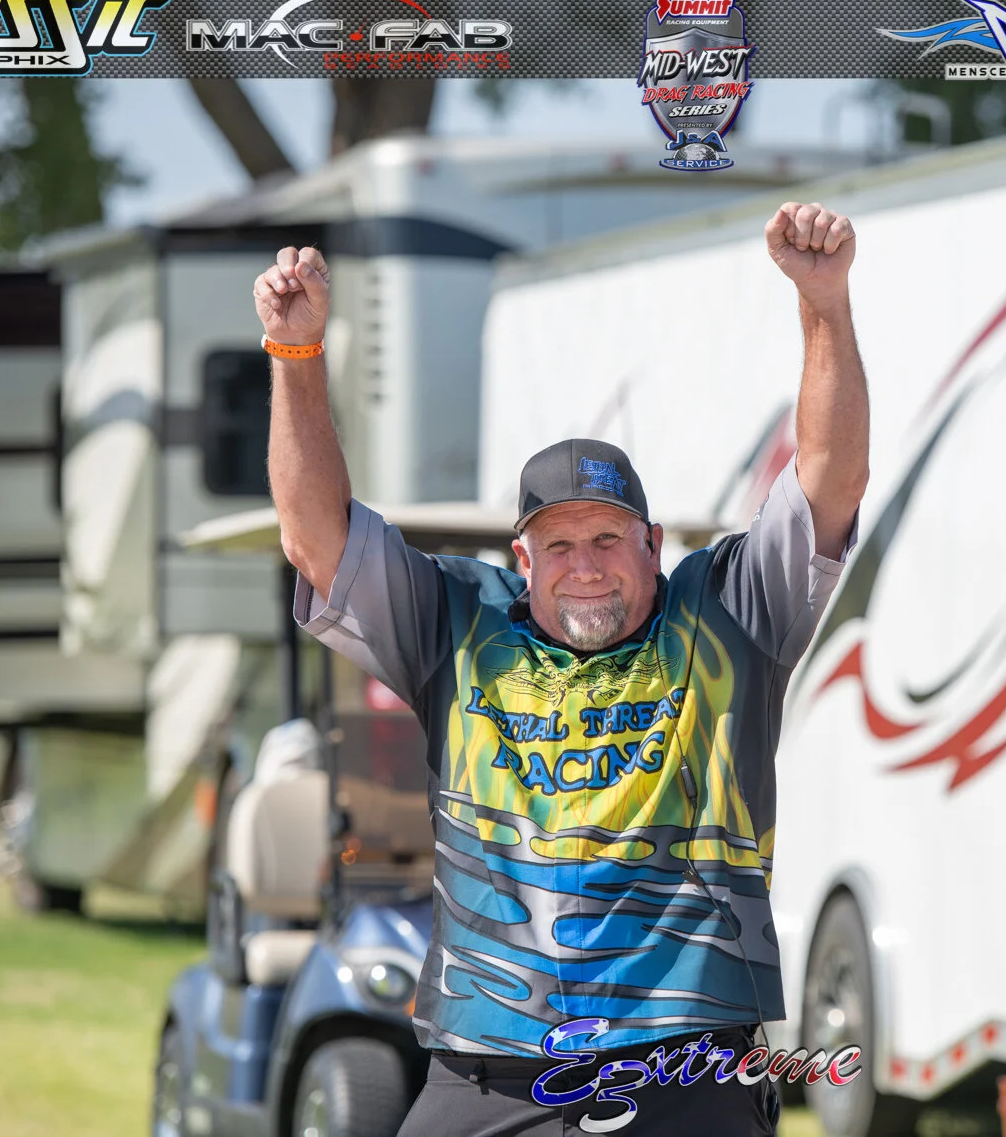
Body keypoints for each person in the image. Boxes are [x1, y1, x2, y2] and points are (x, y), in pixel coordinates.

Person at [257, 202, 867, 1135]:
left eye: (608, 539)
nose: (585, 565)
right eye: (560, 544)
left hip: (685, 1066)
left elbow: (830, 476)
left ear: (653, 544)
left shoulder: (730, 614)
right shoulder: (457, 623)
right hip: (492, 1061)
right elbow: (314, 537)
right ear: (523, 558)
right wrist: (297, 355)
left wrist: (823, 303)